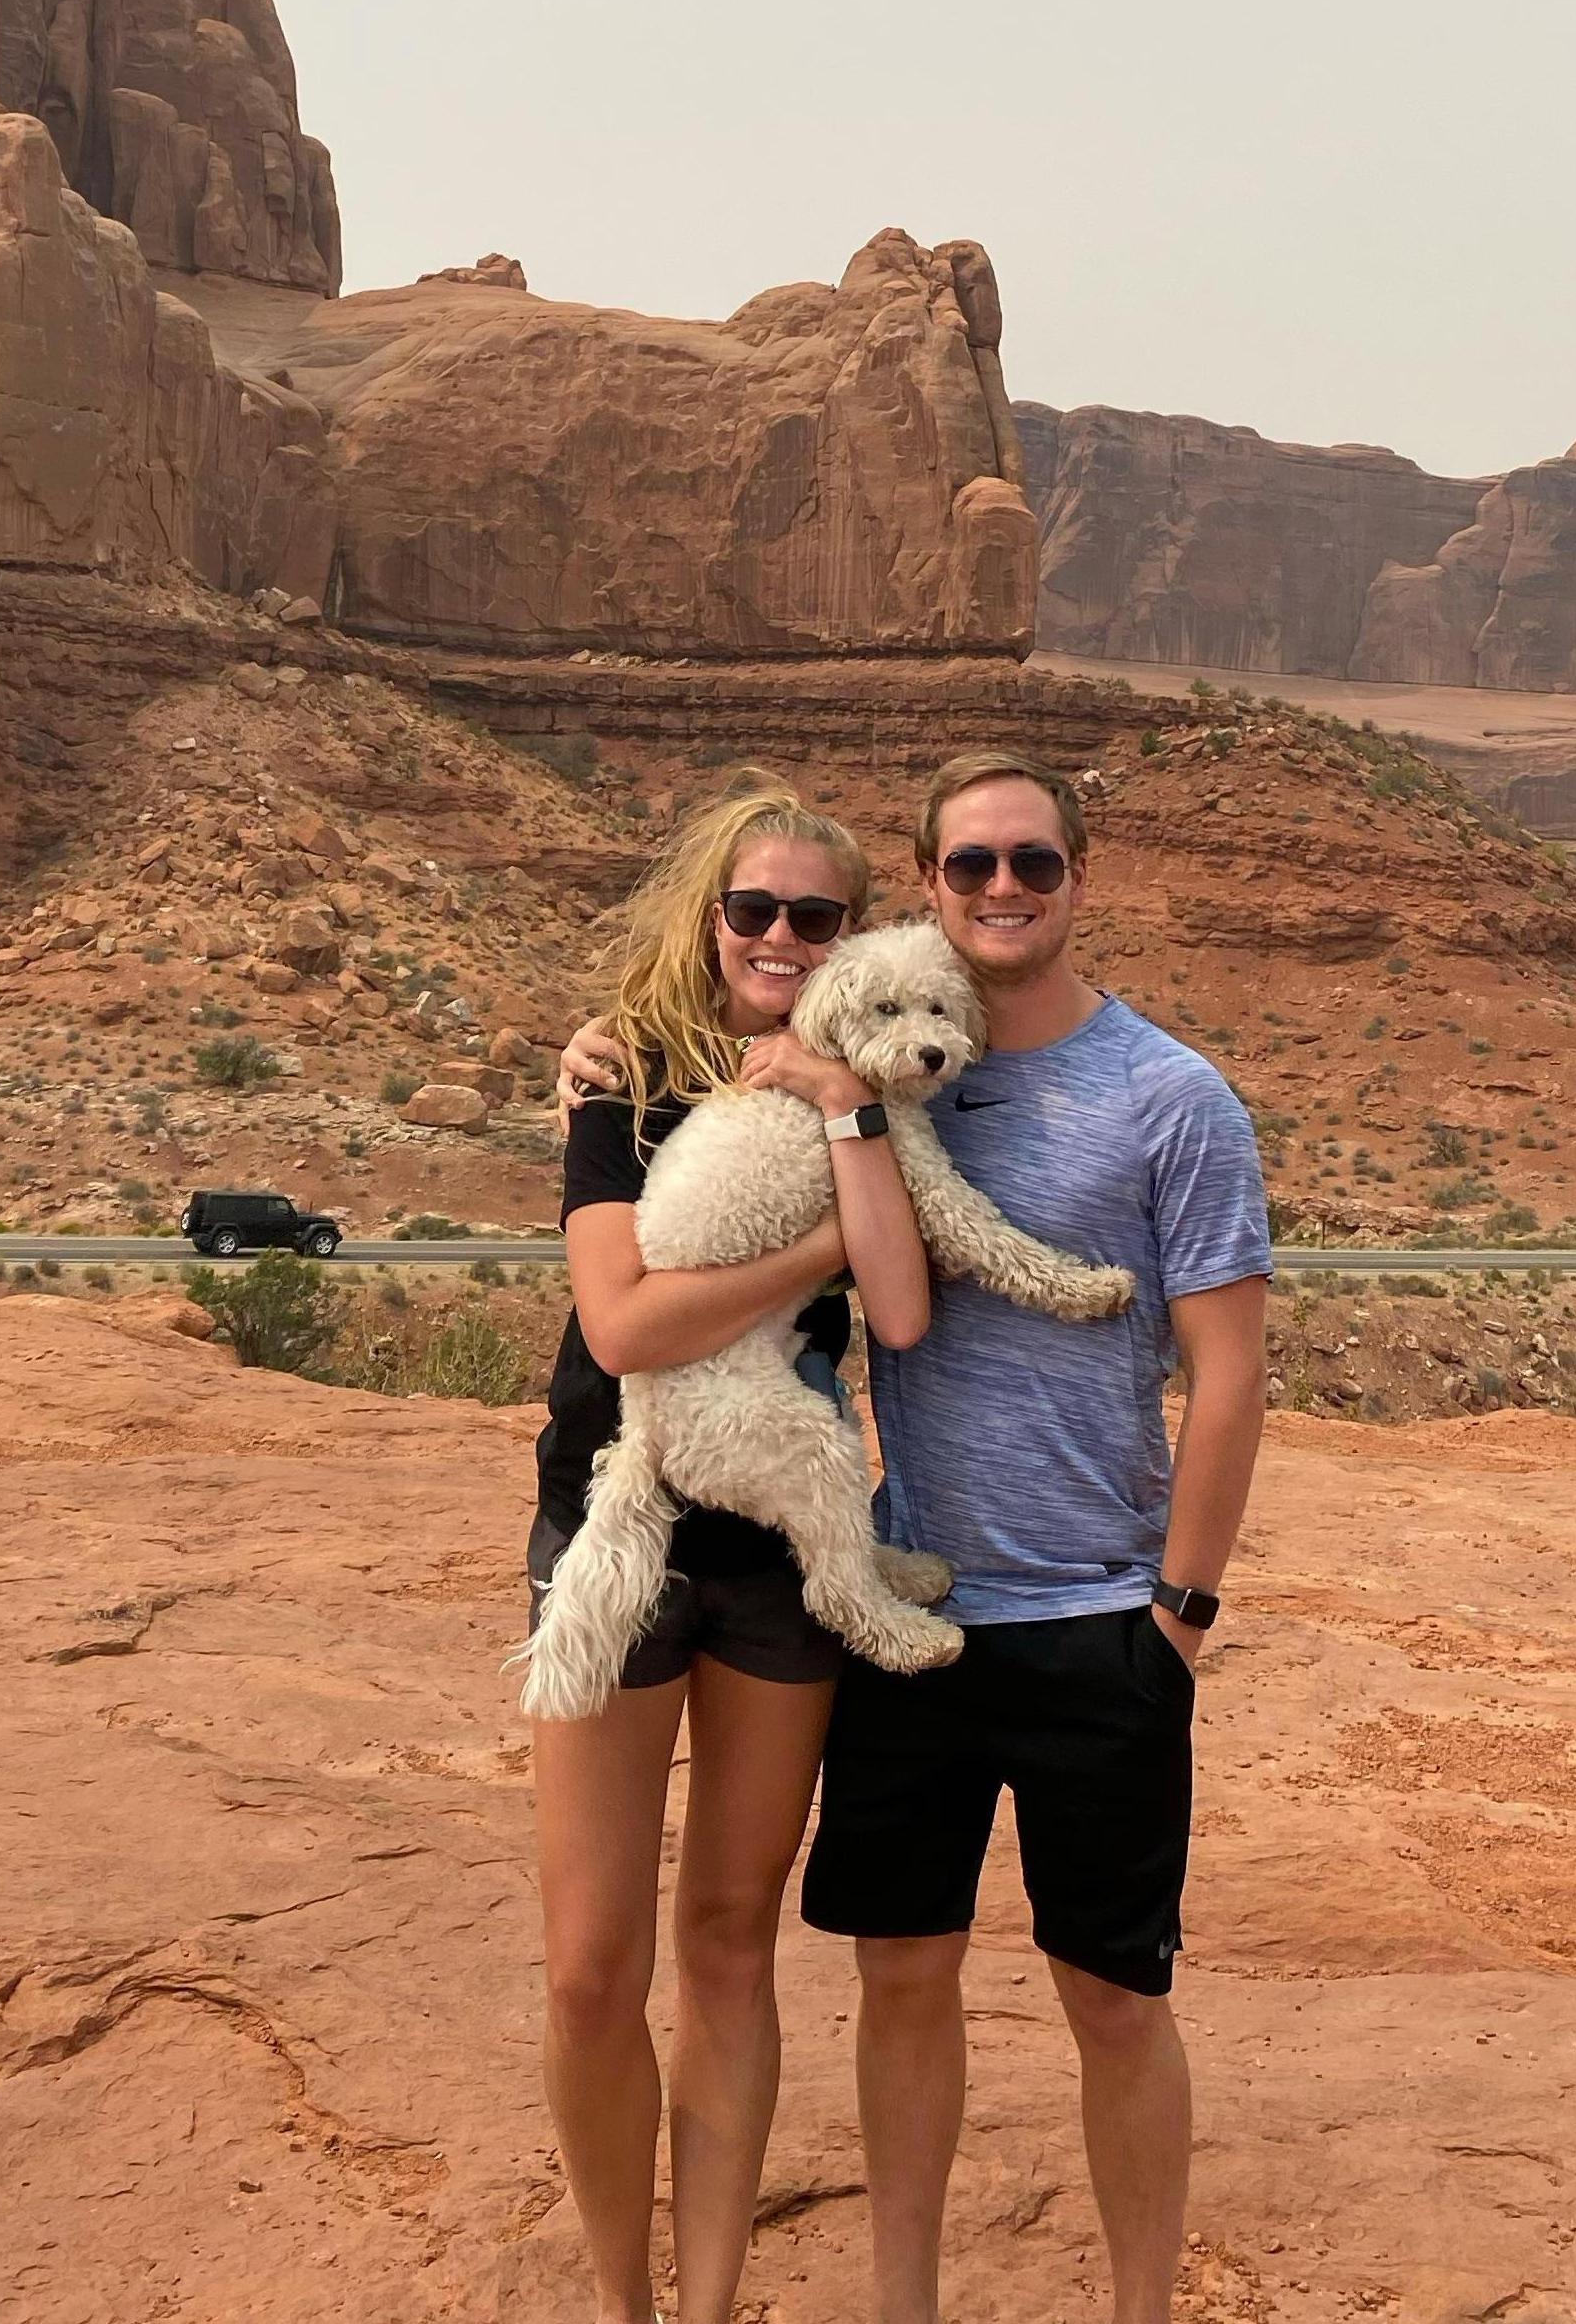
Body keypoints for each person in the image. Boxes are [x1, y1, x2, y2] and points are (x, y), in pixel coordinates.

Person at [562, 748, 1271, 2324]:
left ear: (1081, 881)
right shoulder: (831, 1079)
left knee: (1114, 1993)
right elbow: (816, 1267)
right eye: (971, 868)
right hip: (915, 1588)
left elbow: (1231, 1374)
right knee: (900, 1977)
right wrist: (637, 1062)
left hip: (1099, 1612)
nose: (1004, 889)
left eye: (1033, 864)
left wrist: (1183, 1611)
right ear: (933, 902)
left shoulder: (1174, 1097)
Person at [530, 776, 934, 2324]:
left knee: (731, 1938)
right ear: (711, 915)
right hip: (610, 1520)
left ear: (848, 939)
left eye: (813, 916)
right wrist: (832, 1228)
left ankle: (705, 2311)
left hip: (775, 1554)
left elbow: (902, 1316)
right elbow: (621, 1320)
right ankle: (621, 2303)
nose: (778, 936)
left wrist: (852, 1124)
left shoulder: (866, 1087)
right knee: (587, 1964)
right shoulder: (621, 1071)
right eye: (752, 909)